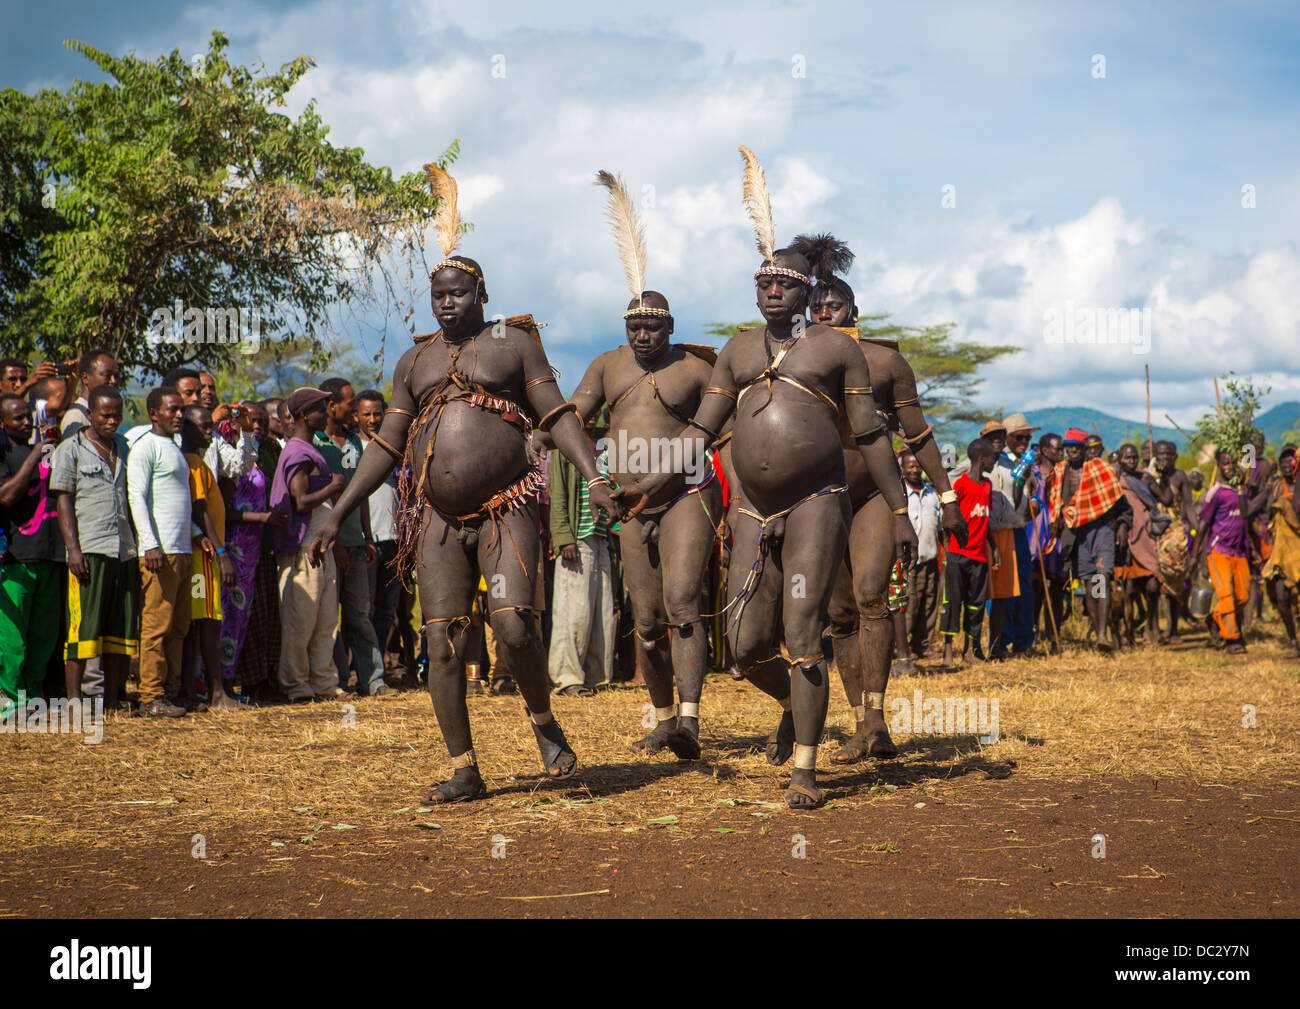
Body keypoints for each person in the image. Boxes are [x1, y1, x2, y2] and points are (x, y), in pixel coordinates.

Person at [614, 149, 916, 808]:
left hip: (818, 502)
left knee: (804, 631)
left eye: (782, 284)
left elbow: (868, 434)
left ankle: (805, 767)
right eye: (762, 284)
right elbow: (700, 432)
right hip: (753, 509)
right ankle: (793, 706)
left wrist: (900, 511)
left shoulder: (837, 351)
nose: (770, 291)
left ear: (808, 292)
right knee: (746, 645)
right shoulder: (738, 349)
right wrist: (649, 487)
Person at [309, 160, 617, 804]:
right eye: (437, 295)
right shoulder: (413, 360)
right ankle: (465, 767)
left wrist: (593, 476)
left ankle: (542, 722)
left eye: (457, 293)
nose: (446, 303)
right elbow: (389, 444)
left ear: (481, 296)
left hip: (505, 508)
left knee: (512, 627)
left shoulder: (512, 344)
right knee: (442, 639)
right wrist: (337, 511)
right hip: (437, 519)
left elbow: (557, 415)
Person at [564, 171, 723, 753]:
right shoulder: (607, 365)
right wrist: (550, 437)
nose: (643, 334)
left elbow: (718, 427)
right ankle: (661, 717)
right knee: (648, 622)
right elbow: (574, 415)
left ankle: (690, 719)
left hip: (685, 494)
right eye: (634, 325)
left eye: (653, 325)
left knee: (684, 605)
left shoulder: (697, 368)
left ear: (671, 327)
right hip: (628, 504)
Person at [791, 233, 965, 764]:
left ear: (853, 309)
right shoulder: (789, 360)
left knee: (871, 598)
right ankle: (858, 723)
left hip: (871, 496)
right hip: (817, 498)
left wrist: (947, 493)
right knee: (838, 614)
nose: (825, 310)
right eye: (817, 304)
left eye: (835, 304)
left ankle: (876, 719)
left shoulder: (885, 363)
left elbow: (917, 435)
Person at [51, 385, 137, 711]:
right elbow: (64, 500)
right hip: (88, 550)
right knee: (81, 631)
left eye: (117, 414)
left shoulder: (126, 449)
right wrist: (72, 548)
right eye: (105, 414)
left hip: (124, 549)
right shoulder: (70, 449)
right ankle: (74, 702)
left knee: (118, 630)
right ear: (91, 415)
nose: (112, 420)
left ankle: (112, 700)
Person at [271, 387, 346, 702]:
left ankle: (323, 682)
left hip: (320, 548)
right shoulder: (297, 452)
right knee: (300, 622)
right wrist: (333, 487)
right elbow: (300, 501)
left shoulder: (308, 449)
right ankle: (297, 684)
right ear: (303, 415)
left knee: (325, 621)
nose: (326, 413)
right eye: (319, 409)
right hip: (303, 549)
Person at [315, 377, 388, 697]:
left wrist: (367, 536)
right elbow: (324, 502)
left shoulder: (355, 442)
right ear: (331, 407)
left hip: (358, 544)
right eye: (348, 404)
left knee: (361, 615)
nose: (353, 410)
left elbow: (360, 495)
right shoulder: (316, 443)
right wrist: (338, 544)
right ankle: (337, 680)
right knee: (330, 617)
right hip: (329, 547)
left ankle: (373, 680)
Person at [126, 387, 192, 718]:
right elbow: (136, 496)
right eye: (172, 410)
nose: (179, 415)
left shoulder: (175, 448)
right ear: (154, 413)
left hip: (183, 550)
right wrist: (149, 543)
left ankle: (172, 690)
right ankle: (150, 695)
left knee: (179, 626)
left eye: (181, 409)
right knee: (156, 624)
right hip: (159, 552)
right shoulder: (145, 448)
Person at [546, 411, 616, 699]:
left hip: (601, 536)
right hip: (577, 536)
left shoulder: (605, 445)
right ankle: (567, 678)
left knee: (603, 612)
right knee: (574, 612)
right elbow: (558, 494)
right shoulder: (566, 447)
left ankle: (597, 676)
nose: (589, 416)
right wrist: (563, 538)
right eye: (584, 412)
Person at [0, 394, 63, 716]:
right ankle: (12, 699)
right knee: (13, 639)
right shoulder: (6, 454)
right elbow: (6, 497)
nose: (26, 423)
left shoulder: (47, 452)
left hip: (52, 555)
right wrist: (35, 454)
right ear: (2, 423)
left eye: (28, 417)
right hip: (16, 558)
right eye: (18, 418)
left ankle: (34, 697)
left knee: (44, 636)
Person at [219, 402, 284, 698]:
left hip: (258, 549)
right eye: (249, 421)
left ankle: (259, 680)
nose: (256, 426)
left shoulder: (263, 455)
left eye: (260, 421)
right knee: (233, 614)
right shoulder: (230, 459)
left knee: (259, 617)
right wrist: (262, 518)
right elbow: (224, 510)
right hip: (235, 548)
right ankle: (225, 681)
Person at [1049, 427, 1129, 652]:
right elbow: (1055, 503)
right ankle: (1098, 629)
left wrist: (1121, 526)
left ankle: (1102, 634)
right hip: (1076, 534)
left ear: (1085, 450)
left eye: (1077, 446)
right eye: (1069, 446)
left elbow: (1120, 503)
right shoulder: (1060, 472)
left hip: (1101, 530)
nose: (1072, 450)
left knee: (1101, 579)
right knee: (1088, 584)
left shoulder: (1100, 469)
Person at [181, 404, 239, 710]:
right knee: (207, 622)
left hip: (203, 555)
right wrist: (221, 552)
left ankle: (192, 690)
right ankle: (216, 693)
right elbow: (200, 510)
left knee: (201, 622)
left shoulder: (200, 463)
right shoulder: (192, 463)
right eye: (203, 426)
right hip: (202, 557)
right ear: (186, 429)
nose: (209, 430)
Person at [356, 390, 413, 686]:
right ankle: (363, 673)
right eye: (366, 414)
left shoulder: (397, 448)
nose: (373, 419)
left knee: (386, 612)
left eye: (378, 413)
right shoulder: (356, 448)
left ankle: (377, 675)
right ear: (356, 417)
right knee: (363, 610)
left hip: (396, 540)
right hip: (369, 541)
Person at [1194, 449, 1263, 655]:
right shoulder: (1216, 492)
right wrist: (1195, 555)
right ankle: (1232, 638)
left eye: (1232, 463)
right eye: (1225, 464)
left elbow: (1246, 522)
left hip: (1240, 551)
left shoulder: (1243, 491)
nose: (1229, 467)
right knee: (1226, 594)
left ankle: (1215, 617)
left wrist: (1252, 548)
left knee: (1242, 596)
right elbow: (1203, 525)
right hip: (1219, 550)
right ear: (1218, 466)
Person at [941, 439, 997, 666]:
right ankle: (947, 652)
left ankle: (969, 650)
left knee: (976, 605)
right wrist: (947, 549)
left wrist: (993, 547)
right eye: (993, 457)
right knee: (952, 603)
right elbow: (947, 518)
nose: (995, 461)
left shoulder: (988, 486)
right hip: (957, 553)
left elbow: (986, 518)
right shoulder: (960, 485)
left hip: (979, 556)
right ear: (981, 459)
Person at [989, 413, 1039, 658]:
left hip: (1020, 529)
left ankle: (1024, 640)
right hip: (1000, 531)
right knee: (1004, 588)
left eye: (1027, 438)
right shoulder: (998, 462)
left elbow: (1028, 495)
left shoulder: (1025, 462)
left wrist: (1035, 502)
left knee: (1024, 585)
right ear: (1007, 438)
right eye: (1019, 437)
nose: (1024, 442)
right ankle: (1001, 640)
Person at [1114, 443, 1169, 645]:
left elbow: (1167, 499)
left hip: (1145, 537)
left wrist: (1161, 478)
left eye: (1134, 457)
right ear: (1120, 458)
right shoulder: (1115, 478)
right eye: (1127, 457)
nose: (1131, 461)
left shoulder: (1143, 478)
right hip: (1124, 537)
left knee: (1153, 584)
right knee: (1127, 589)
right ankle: (1127, 632)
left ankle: (1152, 625)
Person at [900, 450, 942, 659]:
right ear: (903, 469)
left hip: (931, 557)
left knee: (929, 601)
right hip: (909, 561)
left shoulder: (932, 494)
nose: (915, 470)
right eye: (911, 466)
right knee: (910, 603)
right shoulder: (901, 495)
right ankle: (903, 647)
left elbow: (940, 526)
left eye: (918, 466)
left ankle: (922, 645)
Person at [1029, 433, 1066, 652]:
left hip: (1058, 534)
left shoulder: (1064, 473)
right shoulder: (1033, 473)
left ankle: (1055, 637)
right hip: (1036, 535)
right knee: (1036, 588)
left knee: (1057, 589)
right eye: (1056, 449)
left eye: (1061, 449)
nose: (1060, 453)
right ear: (1043, 450)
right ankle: (1032, 634)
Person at [1261, 447, 1300, 657]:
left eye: (1291, 462)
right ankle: (1293, 641)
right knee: (1281, 594)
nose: (1286, 465)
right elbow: (1263, 511)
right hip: (1282, 551)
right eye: (1282, 462)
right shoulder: (1276, 487)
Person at [60, 349, 120, 436]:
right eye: (107, 375)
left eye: (116, 376)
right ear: (85, 378)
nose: (113, 381)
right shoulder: (77, 417)